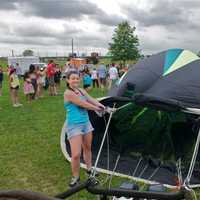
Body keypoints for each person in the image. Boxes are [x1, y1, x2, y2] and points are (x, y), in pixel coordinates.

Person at [64, 71, 105, 187]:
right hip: (74, 125)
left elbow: (91, 100)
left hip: (86, 123)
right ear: (68, 80)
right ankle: (75, 177)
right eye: (73, 79)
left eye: (77, 78)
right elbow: (83, 104)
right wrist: (97, 109)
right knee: (76, 154)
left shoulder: (82, 90)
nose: (75, 80)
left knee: (87, 148)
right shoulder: (68, 93)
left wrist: (103, 107)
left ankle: (89, 169)